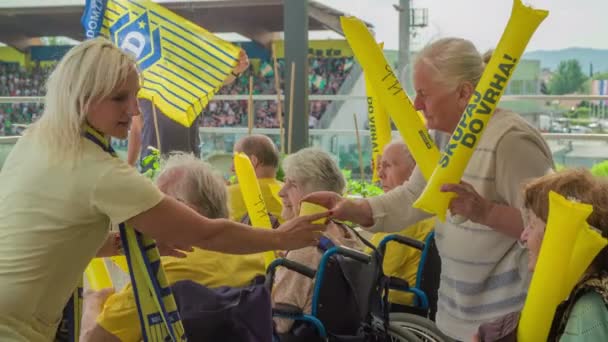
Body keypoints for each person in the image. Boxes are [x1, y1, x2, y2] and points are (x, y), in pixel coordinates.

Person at [0, 37, 326, 342]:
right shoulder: (99, 170)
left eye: (135, 96)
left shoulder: (35, 141)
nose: (134, 110)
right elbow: (207, 234)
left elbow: (52, 239)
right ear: (84, 96)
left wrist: (118, 244)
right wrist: (280, 238)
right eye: (119, 98)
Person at [303, 37, 554, 340]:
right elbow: (413, 197)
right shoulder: (442, 138)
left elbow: (548, 229)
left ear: (464, 93)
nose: (416, 104)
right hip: (453, 316)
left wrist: (483, 211)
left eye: (424, 94)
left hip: (505, 322)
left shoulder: (511, 141)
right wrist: (354, 208)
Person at [80, 152, 267, 342]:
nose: (146, 215)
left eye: (157, 207)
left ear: (187, 213)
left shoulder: (158, 275)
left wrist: (92, 302)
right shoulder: (257, 258)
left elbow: (95, 339)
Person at [475, 169, 608, 341]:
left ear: (560, 235)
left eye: (531, 223)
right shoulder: (585, 294)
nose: (524, 235)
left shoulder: (587, 313)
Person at [272, 148, 363, 334]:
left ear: (315, 194)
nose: (281, 192)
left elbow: (280, 323)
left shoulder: (305, 245)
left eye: (292, 184)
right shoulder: (349, 236)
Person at [126, 50, 250, 166]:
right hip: (152, 163)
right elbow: (136, 128)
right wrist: (130, 165)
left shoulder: (190, 86)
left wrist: (236, 70)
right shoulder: (144, 87)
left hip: (187, 164)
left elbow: (217, 80)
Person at [370, 141, 434, 306]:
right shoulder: (429, 209)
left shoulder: (404, 216)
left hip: (390, 306)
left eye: (388, 165)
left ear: (415, 171)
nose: (380, 174)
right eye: (379, 166)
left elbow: (374, 270)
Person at [229, 134, 284, 223]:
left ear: (252, 161)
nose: (232, 168)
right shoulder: (290, 193)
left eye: (235, 160)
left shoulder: (229, 195)